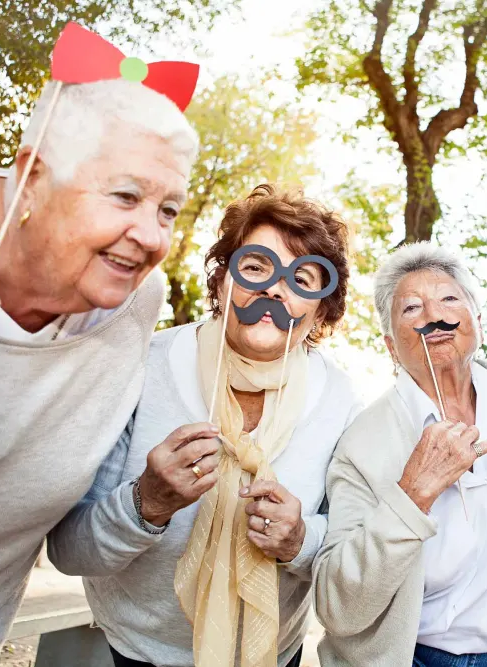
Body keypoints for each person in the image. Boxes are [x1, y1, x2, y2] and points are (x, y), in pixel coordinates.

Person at [0, 78, 198, 664]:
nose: (152, 236)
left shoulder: (135, 299)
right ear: (31, 179)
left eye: (168, 209)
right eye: (125, 197)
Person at [47, 184, 361, 667]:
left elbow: (349, 548)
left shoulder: (339, 400)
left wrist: (299, 540)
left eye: (304, 277)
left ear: (321, 308)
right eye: (256, 266)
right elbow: (68, 550)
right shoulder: (141, 368)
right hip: (141, 650)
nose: (275, 289)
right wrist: (145, 503)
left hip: (272, 653)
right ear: (220, 283)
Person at [313, 243, 487, 667]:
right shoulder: (361, 444)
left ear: (477, 323)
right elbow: (338, 605)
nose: (434, 315)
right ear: (391, 347)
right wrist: (414, 493)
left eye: (449, 298)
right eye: (411, 308)